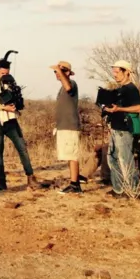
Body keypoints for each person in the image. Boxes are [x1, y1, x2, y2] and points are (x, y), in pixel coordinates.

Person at [0, 56, 40, 191]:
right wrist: (4, 107)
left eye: (7, 73)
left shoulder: (10, 82)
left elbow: (18, 101)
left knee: (22, 147)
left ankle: (30, 177)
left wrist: (15, 104)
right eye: (2, 73)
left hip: (11, 119)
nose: (5, 75)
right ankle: (1, 182)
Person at [104, 59, 140, 198]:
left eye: (117, 72)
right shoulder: (120, 90)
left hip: (124, 130)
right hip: (116, 129)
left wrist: (119, 109)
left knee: (126, 160)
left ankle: (134, 191)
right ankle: (118, 189)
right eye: (113, 72)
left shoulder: (131, 89)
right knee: (113, 159)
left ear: (126, 72)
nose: (114, 75)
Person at [50, 60, 82, 194]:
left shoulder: (71, 84)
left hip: (70, 127)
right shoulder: (62, 87)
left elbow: (68, 86)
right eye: (55, 72)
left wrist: (61, 72)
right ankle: (73, 182)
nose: (56, 74)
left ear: (67, 73)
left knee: (73, 155)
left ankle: (75, 185)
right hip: (63, 127)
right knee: (69, 155)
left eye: (59, 72)